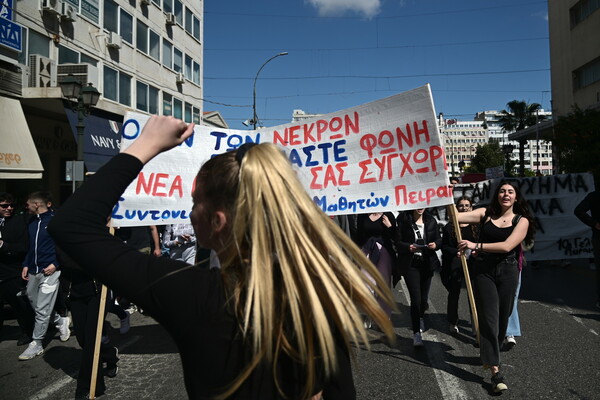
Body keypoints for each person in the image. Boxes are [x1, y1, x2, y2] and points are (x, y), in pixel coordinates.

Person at [48, 115, 395, 399]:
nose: (190, 211)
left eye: (195, 202)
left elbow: (71, 225)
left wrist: (146, 145)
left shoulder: (191, 291)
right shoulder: (318, 289)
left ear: (218, 221)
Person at [456, 181, 535, 393]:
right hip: (484, 272)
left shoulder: (522, 221)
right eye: (502, 191)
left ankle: (491, 352)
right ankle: (495, 371)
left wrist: (476, 245)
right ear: (496, 195)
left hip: (508, 271)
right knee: (489, 319)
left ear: (516, 197)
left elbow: (508, 246)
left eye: (510, 191)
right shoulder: (484, 213)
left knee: (502, 318)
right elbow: (455, 217)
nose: (505, 194)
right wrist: (444, 196)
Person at [58, 247, 119, 400]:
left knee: (91, 340)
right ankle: (110, 355)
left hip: (98, 293)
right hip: (76, 293)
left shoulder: (92, 230)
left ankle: (87, 387)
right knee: (83, 340)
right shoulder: (62, 235)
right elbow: (66, 260)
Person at [19, 192, 70, 361]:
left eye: (28, 205)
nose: (26, 208)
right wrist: (26, 263)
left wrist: (56, 263)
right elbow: (30, 246)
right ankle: (60, 321)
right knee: (34, 302)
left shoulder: (55, 220)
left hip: (51, 271)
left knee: (41, 309)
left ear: (36, 205)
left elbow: (65, 245)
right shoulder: (32, 221)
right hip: (34, 270)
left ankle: (37, 343)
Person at [393, 208, 441, 347]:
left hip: (427, 264)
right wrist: (409, 247)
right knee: (416, 299)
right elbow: (397, 242)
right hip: (411, 264)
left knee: (423, 300)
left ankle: (420, 317)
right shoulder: (403, 220)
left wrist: (435, 245)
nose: (420, 207)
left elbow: (439, 240)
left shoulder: (431, 220)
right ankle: (416, 334)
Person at [0, 193, 34, 345]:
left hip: (13, 272)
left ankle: (28, 332)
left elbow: (24, 246)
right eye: (4, 206)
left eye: (11, 205)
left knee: (20, 306)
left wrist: (4, 246)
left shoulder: (18, 221)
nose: (9, 208)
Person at [441, 196, 477, 334]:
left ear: (471, 208)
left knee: (473, 295)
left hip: (472, 264)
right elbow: (444, 246)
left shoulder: (475, 226)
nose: (464, 208)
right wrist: (456, 252)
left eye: (467, 205)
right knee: (454, 293)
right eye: (461, 206)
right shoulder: (450, 227)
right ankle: (452, 321)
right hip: (455, 265)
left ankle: (476, 325)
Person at [355, 212, 397, 323]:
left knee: (383, 284)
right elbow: (359, 235)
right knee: (366, 284)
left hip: (384, 251)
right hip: (367, 250)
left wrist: (389, 226)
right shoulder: (362, 214)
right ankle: (370, 313)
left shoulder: (388, 215)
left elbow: (396, 236)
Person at [574, 190, 600, 308]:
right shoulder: (595, 195)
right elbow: (578, 210)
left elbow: (579, 210)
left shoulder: (595, 194)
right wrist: (594, 223)